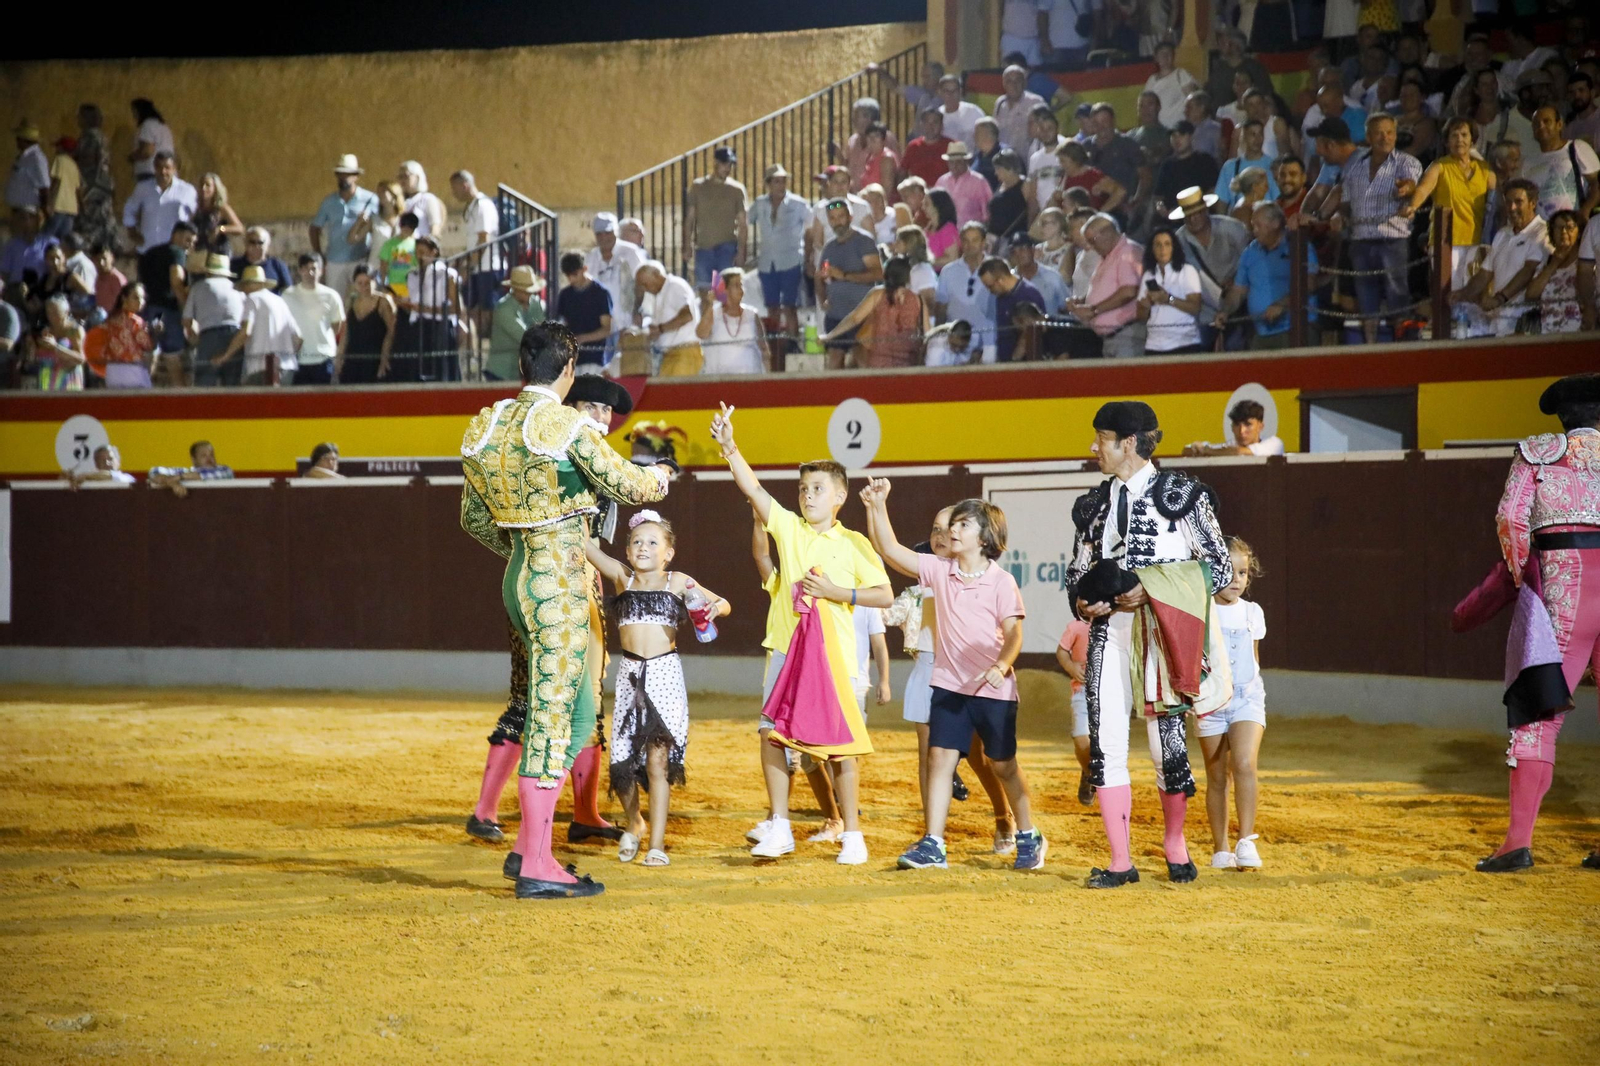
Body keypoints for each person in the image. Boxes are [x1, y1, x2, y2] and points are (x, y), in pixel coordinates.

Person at [459, 324, 670, 899]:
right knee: (552, 718)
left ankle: (532, 846)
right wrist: (661, 475)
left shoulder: (487, 424)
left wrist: (528, 547)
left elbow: (474, 520)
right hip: (558, 584)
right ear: (568, 366)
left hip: (519, 576)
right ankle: (537, 865)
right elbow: (631, 488)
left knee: (574, 710)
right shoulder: (565, 423)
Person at [708, 408, 891, 866]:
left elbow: (885, 594)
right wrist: (730, 447)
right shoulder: (788, 528)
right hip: (786, 650)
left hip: (835, 656)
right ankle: (781, 826)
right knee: (771, 734)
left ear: (840, 497)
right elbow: (752, 488)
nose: (808, 495)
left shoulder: (854, 544)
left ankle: (852, 834)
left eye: (818, 489)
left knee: (841, 745)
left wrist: (835, 592)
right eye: (803, 488)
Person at [1065, 401, 1234, 888]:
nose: (1093, 447)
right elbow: (1077, 571)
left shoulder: (1182, 496)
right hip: (1109, 634)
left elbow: (1219, 569)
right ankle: (1120, 860)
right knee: (1107, 744)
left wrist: (1152, 588)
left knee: (1169, 749)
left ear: (1129, 443)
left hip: (1164, 634)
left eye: (1101, 438)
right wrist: (1083, 603)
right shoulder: (1093, 505)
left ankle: (1174, 844)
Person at [861, 482, 1045, 872]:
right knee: (940, 758)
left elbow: (1014, 633)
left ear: (985, 536)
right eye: (952, 525)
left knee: (1002, 764)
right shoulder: (938, 569)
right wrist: (878, 505)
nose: (951, 532)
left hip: (993, 689)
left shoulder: (1001, 581)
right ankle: (934, 842)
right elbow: (891, 550)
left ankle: (1029, 834)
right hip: (947, 684)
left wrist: (1000, 666)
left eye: (962, 525)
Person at [1457, 373, 1600, 874]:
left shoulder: (1539, 452)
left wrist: (1523, 577)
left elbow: (1512, 519)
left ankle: (1517, 843)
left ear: (1562, 417)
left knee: (1539, 717)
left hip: (1566, 587)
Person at [585, 511, 728, 868]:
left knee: (657, 763)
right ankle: (635, 820)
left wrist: (713, 609)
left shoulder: (678, 581)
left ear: (668, 553)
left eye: (652, 542)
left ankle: (657, 845)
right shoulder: (622, 577)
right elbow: (587, 547)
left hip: (665, 676)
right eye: (636, 542)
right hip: (630, 676)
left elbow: (724, 604)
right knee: (621, 762)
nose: (643, 547)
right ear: (628, 551)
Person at [1197, 536, 1268, 871]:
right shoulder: (1201, 610)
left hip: (1246, 699)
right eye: (1229, 572)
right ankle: (1221, 848)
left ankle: (1246, 841)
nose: (1236, 580)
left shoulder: (1253, 613)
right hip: (1210, 701)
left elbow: (1252, 662)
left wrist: (1252, 694)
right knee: (1217, 777)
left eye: (1243, 573)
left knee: (1244, 764)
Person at [1401, 118, 1495, 328]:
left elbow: (1500, 198)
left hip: (1475, 241)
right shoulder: (1440, 166)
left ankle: (1473, 335)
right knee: (1449, 292)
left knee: (1472, 292)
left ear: (1473, 140)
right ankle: (1448, 335)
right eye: (1454, 135)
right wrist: (1412, 206)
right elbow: (1424, 189)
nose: (1459, 140)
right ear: (1446, 141)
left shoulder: (1484, 169)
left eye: (1464, 135)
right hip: (1445, 243)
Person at [1339, 114, 1421, 344]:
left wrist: (1406, 190)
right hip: (1361, 240)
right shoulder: (1355, 165)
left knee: (1397, 294)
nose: (1385, 137)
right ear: (1368, 137)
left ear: (1395, 135)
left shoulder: (1406, 162)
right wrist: (1340, 216)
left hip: (1392, 239)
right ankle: (1371, 347)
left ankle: (1403, 346)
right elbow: (1345, 201)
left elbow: (1411, 184)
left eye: (1390, 132)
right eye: (1379, 132)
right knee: (1366, 298)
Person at [1449, 179, 1548, 337]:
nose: (1512, 208)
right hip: (1498, 322)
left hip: (1524, 322)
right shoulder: (1502, 233)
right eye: (1508, 202)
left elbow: (1528, 271)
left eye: (1518, 202)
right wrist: (1461, 294)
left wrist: (1499, 298)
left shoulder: (1542, 232)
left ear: (1533, 203)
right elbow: (1485, 274)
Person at [1217, 202, 1317, 351]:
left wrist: (1282, 304)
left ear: (1275, 223)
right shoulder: (1250, 252)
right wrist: (1225, 311)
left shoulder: (1298, 245)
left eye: (1258, 225)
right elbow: (1238, 292)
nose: (1254, 231)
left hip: (1295, 329)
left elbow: (1310, 284)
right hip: (1262, 333)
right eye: (1252, 225)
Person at [820, 255, 927, 369]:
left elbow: (854, 319)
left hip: (880, 362)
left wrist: (829, 336)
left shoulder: (878, 294)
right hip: (910, 361)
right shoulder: (918, 299)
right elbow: (927, 332)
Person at [815, 200, 883, 369]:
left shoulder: (864, 241)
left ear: (850, 217)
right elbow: (819, 276)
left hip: (862, 315)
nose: (837, 222)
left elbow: (877, 273)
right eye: (832, 218)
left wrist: (844, 275)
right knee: (834, 361)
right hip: (836, 315)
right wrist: (823, 298)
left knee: (863, 360)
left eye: (840, 217)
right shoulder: (829, 247)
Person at [1066, 213, 1145, 358]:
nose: (1090, 246)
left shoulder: (1127, 251)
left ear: (1107, 233)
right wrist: (1082, 301)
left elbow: (1129, 291)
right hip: (1110, 338)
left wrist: (1094, 309)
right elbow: (1105, 289)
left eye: (1092, 240)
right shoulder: (1108, 255)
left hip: (1126, 335)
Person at [121, 151, 196, 297]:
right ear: (154, 168)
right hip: (148, 251)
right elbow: (129, 209)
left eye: (167, 167)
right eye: (159, 167)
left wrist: (188, 241)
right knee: (147, 295)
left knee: (173, 294)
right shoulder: (143, 188)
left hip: (173, 254)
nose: (163, 172)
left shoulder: (186, 191)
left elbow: (194, 217)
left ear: (174, 169)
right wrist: (132, 232)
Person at [216, 264, 300, 386]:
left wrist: (226, 356)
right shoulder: (280, 301)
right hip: (287, 367)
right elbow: (298, 338)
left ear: (248, 285)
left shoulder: (252, 300)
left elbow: (246, 331)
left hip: (261, 367)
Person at [311, 154, 381, 300]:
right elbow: (314, 228)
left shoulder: (370, 199)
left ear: (356, 176)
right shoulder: (329, 202)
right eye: (340, 174)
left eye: (348, 174)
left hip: (360, 258)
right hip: (334, 260)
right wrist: (319, 255)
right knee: (334, 302)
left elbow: (380, 227)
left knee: (362, 300)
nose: (344, 178)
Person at [685, 146, 748, 292]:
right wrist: (686, 245)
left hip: (727, 248)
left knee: (723, 293)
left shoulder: (737, 190)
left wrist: (741, 251)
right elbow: (690, 219)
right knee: (704, 292)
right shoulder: (698, 187)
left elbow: (742, 223)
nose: (728, 168)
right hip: (703, 247)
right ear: (715, 163)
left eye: (730, 164)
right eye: (725, 164)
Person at [587, 211, 647, 361]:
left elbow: (642, 283)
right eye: (599, 234)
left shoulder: (630, 252)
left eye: (608, 233)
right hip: (601, 328)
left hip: (626, 323)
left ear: (615, 232)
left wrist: (638, 311)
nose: (604, 238)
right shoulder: (591, 257)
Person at [141, 218, 195, 385]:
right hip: (168, 312)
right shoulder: (177, 253)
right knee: (173, 358)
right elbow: (176, 282)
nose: (189, 246)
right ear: (176, 236)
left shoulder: (149, 253)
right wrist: (187, 311)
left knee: (149, 355)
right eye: (188, 240)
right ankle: (182, 403)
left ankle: (141, 394)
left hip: (149, 310)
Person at [934, 221, 998, 360]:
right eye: (966, 240)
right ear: (961, 242)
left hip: (988, 343)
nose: (970, 245)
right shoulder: (948, 271)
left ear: (983, 242)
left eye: (975, 240)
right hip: (955, 344)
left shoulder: (997, 268)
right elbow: (941, 309)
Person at [1524, 106, 1600, 219]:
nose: (1541, 126)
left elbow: (1597, 184)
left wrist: (1585, 211)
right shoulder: (1528, 162)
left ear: (1559, 124)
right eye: (1536, 124)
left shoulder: (1577, 148)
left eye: (1546, 121)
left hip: (1574, 225)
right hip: (1542, 230)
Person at [181, 252, 244, 387]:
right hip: (235, 336)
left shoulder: (198, 287)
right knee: (233, 386)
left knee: (204, 385)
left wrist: (195, 338)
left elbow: (187, 320)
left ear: (208, 272)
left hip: (208, 336)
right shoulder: (238, 289)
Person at [1136, 228, 1203, 354]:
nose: (1162, 249)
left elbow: (1195, 307)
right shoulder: (1149, 275)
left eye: (1167, 244)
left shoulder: (1187, 271)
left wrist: (1168, 299)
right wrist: (1146, 305)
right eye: (1158, 245)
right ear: (1152, 249)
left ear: (1174, 247)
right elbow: (1140, 316)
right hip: (1154, 344)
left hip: (1184, 342)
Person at [405, 235, 463, 382]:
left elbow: (455, 308)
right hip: (419, 326)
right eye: (417, 252)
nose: (420, 256)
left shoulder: (446, 274)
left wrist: (425, 309)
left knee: (441, 369)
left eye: (423, 251)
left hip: (439, 327)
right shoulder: (413, 275)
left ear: (434, 252)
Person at [283, 254, 345, 385]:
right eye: (305, 268)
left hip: (324, 358)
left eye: (314, 268)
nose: (310, 273)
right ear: (299, 270)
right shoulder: (288, 295)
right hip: (297, 359)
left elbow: (337, 326)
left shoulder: (331, 296)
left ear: (321, 271)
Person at [634, 260, 701, 377]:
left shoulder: (675, 286)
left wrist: (660, 329)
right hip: (668, 355)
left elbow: (687, 315)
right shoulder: (657, 295)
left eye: (645, 284)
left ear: (656, 275)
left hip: (685, 353)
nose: (644, 289)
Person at [697, 268, 769, 374]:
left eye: (741, 285)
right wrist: (710, 305)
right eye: (736, 285)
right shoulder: (713, 313)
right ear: (724, 289)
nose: (741, 289)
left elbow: (764, 350)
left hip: (749, 379)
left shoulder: (752, 314)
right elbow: (701, 334)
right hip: (718, 380)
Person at [1524, 209, 1583, 334]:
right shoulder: (1547, 262)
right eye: (1558, 228)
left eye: (1569, 227)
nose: (1564, 232)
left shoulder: (1585, 262)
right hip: (1549, 333)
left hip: (1578, 333)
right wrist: (1554, 263)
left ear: (1578, 232)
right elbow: (1531, 295)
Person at [553, 252, 613, 373]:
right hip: (570, 359)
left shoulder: (600, 293)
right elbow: (562, 322)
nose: (571, 279)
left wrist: (582, 338)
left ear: (585, 269)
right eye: (568, 276)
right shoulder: (565, 295)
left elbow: (606, 329)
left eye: (575, 274)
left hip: (594, 358)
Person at [482, 265, 544, 382]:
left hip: (522, 373)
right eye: (526, 291)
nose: (530, 294)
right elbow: (525, 337)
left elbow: (543, 329)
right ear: (515, 289)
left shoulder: (535, 304)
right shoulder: (503, 309)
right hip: (500, 372)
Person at [1056, 616, 1094, 804]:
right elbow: (1062, 651)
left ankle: (1098, 780)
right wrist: (1071, 667)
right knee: (1081, 740)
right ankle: (1088, 772)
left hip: (1112, 693)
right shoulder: (1077, 626)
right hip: (1082, 690)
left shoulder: (1118, 623)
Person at [340, 265, 398, 385]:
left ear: (375, 281)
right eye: (359, 283)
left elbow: (391, 331)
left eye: (367, 282)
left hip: (374, 358)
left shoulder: (383, 301)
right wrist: (339, 357)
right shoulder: (351, 301)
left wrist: (384, 358)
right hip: (353, 357)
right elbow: (346, 332)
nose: (364, 287)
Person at [1154, 122, 1221, 217]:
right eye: (1173, 136)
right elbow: (1158, 195)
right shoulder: (1166, 165)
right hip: (1171, 218)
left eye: (1181, 135)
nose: (1177, 139)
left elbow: (1213, 190)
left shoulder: (1205, 160)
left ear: (1191, 137)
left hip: (1200, 216)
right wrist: (1160, 207)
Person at [101, 280, 157, 388]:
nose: (140, 302)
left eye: (142, 298)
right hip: (132, 371)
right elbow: (148, 345)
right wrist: (155, 333)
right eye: (135, 297)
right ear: (124, 298)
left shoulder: (109, 320)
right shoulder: (135, 322)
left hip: (112, 373)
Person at [1184, 399, 1287, 456]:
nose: (1242, 431)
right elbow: (1186, 450)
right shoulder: (1230, 446)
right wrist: (1195, 447)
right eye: (1237, 425)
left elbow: (1240, 452)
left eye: (1248, 425)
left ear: (1260, 426)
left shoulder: (1275, 443)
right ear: (1232, 428)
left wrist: (1206, 451)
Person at [1215, 122, 1280, 210]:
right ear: (1244, 137)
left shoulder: (1273, 166)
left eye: (1260, 134)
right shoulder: (1230, 167)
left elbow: (1278, 200)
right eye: (1253, 134)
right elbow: (1222, 202)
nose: (1258, 139)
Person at [29, 295, 86, 390]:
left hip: (69, 383)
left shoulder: (75, 331)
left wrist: (56, 347)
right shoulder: (46, 331)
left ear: (66, 313)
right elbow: (37, 358)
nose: (51, 317)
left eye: (55, 313)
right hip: (47, 382)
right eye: (49, 313)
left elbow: (81, 358)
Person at [933, 142, 993, 228]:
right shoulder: (941, 181)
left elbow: (987, 213)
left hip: (971, 234)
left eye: (958, 162)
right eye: (951, 162)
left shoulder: (979, 181)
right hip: (945, 233)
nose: (954, 166)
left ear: (966, 161)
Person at [1053, 141, 1125, 213]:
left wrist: (1100, 213)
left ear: (1075, 160)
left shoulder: (1094, 176)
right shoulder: (1064, 178)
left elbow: (1120, 192)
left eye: (1063, 161)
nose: (1060, 165)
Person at [1144, 41, 1200, 130]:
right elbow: (1146, 104)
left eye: (1169, 54)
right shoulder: (1151, 80)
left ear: (1173, 56)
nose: (1166, 57)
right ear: (1156, 58)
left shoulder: (1181, 74)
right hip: (1158, 130)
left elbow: (1193, 101)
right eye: (1162, 54)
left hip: (1178, 129)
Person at [148, 440, 235, 497]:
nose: (209, 459)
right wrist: (173, 484)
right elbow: (154, 471)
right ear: (194, 459)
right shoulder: (186, 471)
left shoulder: (224, 470)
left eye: (211, 455)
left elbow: (208, 476)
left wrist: (179, 478)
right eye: (203, 456)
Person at [1009, 234, 1068, 314]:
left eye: (1023, 248)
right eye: (1014, 251)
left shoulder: (1052, 276)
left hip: (1051, 325)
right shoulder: (1009, 280)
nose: (1019, 253)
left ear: (1033, 250)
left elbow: (1066, 307)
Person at [986, 150, 1030, 248]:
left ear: (1010, 169)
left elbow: (1031, 210)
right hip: (994, 238)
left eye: (998, 169)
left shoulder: (1025, 185)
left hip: (1013, 239)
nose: (995, 173)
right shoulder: (1000, 185)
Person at [232, 226, 294, 293]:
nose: (256, 246)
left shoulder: (277, 265)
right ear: (245, 243)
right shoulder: (233, 265)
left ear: (267, 245)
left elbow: (288, 292)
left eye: (260, 242)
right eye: (252, 242)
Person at [901, 107, 952, 187]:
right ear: (921, 125)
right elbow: (902, 172)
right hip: (918, 195)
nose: (930, 126)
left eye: (935, 122)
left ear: (942, 125)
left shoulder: (951, 146)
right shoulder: (913, 146)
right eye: (927, 122)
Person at [44, 135, 81, 242]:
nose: (55, 149)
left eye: (57, 147)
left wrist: (49, 201)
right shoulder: (74, 165)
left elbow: (56, 180)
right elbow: (78, 189)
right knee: (63, 240)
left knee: (47, 237)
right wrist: (81, 207)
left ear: (62, 148)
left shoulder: (59, 159)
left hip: (59, 205)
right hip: (71, 208)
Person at [127, 99, 173, 184]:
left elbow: (146, 151)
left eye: (134, 111)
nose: (134, 115)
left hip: (149, 173)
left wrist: (132, 157)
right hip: (164, 173)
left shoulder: (147, 125)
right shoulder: (163, 126)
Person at [936, 74, 986, 148]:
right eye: (947, 91)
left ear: (960, 91)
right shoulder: (936, 115)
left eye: (954, 90)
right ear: (940, 92)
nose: (951, 94)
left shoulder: (973, 112)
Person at [377, 212, 418, 302]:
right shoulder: (389, 244)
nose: (407, 229)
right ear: (400, 225)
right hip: (393, 285)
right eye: (405, 225)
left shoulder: (416, 245)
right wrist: (383, 285)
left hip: (410, 286)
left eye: (410, 227)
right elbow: (383, 266)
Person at [397, 160, 443, 238]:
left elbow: (435, 227)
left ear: (417, 177)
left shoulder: (428, 199)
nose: (402, 180)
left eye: (405, 176)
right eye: (400, 177)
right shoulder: (399, 200)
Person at [923, 187, 960, 265]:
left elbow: (952, 258)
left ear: (937, 206)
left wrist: (928, 261)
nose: (923, 208)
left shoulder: (948, 229)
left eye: (927, 204)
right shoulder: (929, 227)